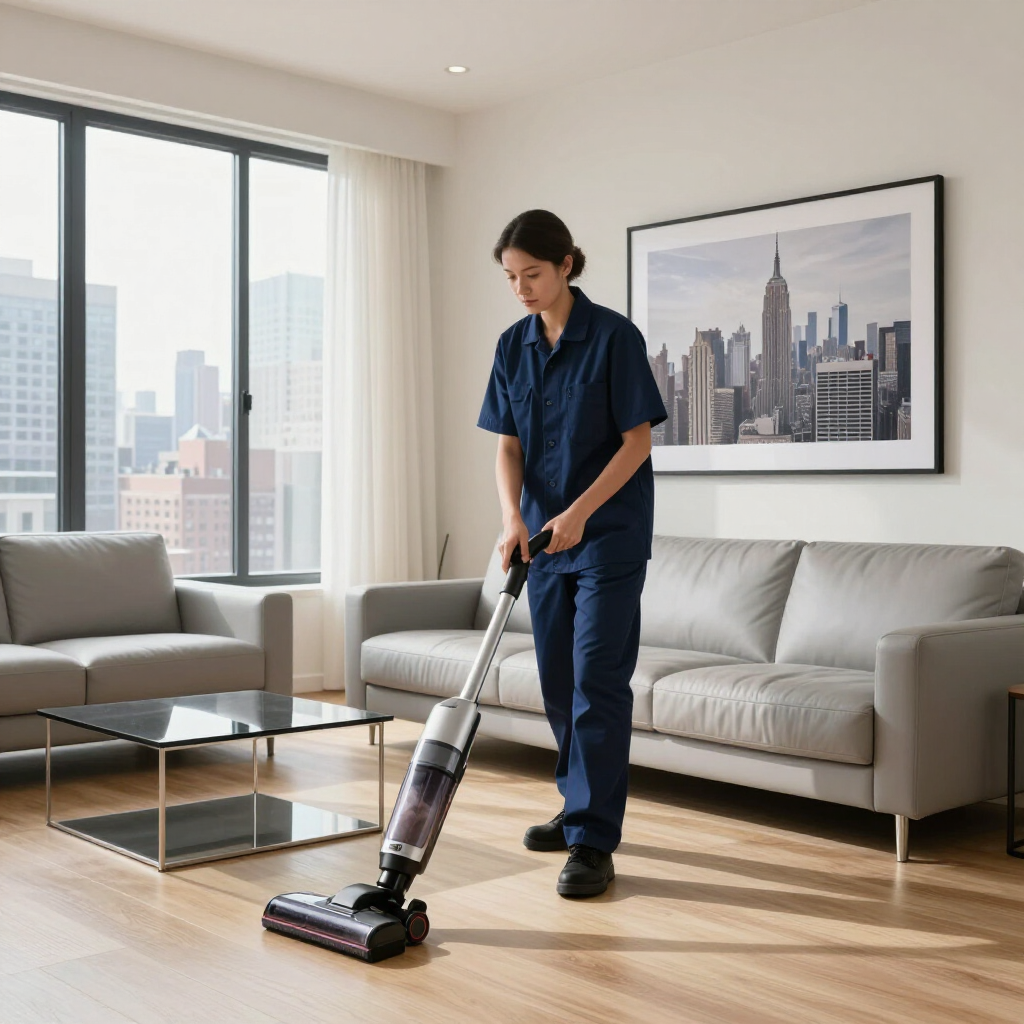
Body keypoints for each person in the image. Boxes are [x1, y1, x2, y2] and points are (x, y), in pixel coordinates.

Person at [477, 209, 667, 897]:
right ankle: (574, 804)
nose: (522, 288)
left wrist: (580, 513)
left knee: (597, 680)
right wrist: (509, 517)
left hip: (608, 536)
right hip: (539, 541)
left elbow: (637, 443)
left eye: (532, 274)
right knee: (557, 679)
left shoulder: (615, 337)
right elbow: (507, 444)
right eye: (511, 277)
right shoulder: (511, 346)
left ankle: (592, 839)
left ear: (566, 265)